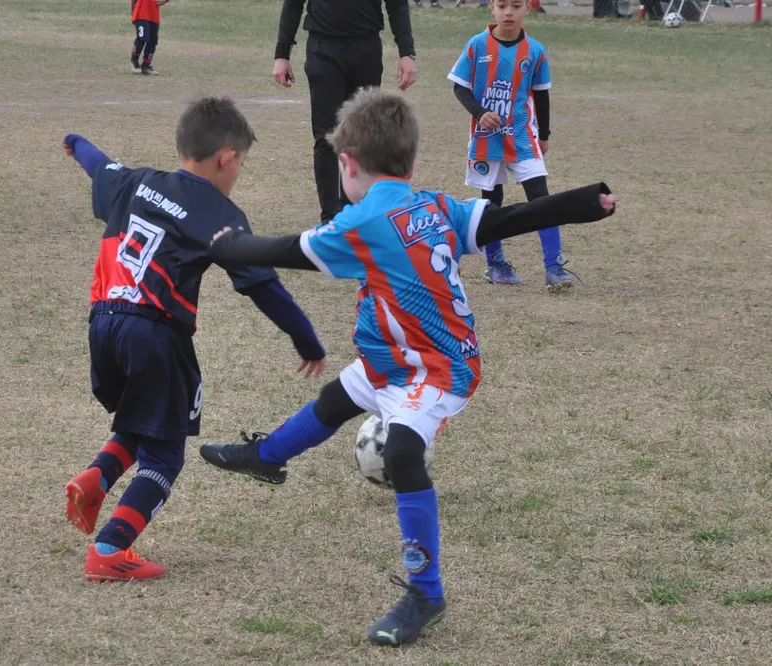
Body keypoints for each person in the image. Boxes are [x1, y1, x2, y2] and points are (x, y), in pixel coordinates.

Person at [198, 89, 615, 645]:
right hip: (390, 360)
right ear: (411, 163)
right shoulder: (432, 206)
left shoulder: (362, 221)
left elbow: (281, 250)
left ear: (347, 165)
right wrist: (583, 202)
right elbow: (508, 218)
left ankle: (426, 592)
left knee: (400, 450)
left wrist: (226, 246)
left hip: (439, 369)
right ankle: (265, 457)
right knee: (334, 402)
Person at [61, 97, 326, 582]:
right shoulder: (219, 213)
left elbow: (98, 165)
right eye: (240, 164)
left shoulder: (136, 180)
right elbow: (265, 288)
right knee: (166, 453)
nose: (238, 174)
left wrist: (77, 143)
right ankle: (110, 549)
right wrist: (306, 340)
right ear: (227, 157)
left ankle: (96, 478)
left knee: (145, 418)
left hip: (104, 323)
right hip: (155, 332)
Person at [447, 0, 571, 290]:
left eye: (516, 5)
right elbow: (459, 86)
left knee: (541, 198)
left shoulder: (535, 51)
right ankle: (496, 264)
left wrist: (545, 135)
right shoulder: (477, 45)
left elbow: (541, 95)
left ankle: (554, 267)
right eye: (502, 5)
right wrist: (479, 113)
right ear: (492, 7)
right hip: (486, 138)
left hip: (522, 135)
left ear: (527, 8)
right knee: (492, 201)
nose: (508, 12)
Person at [272, 0, 419, 222]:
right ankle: (330, 218)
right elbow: (293, 3)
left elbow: (397, 4)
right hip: (323, 48)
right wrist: (282, 54)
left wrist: (407, 52)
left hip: (366, 48)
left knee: (365, 136)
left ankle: (356, 213)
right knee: (326, 137)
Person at [130, 0, 168, 76]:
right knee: (142, 37)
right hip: (141, 11)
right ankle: (134, 60)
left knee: (152, 41)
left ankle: (146, 66)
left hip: (153, 14)